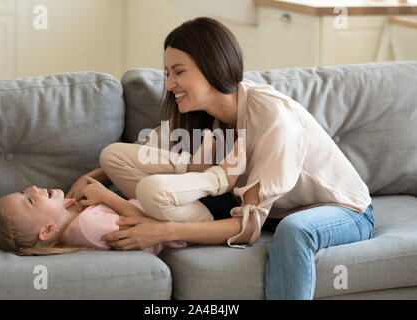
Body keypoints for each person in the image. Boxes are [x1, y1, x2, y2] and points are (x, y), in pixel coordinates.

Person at [70, 17, 375, 300]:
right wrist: (97, 176)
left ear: (211, 67)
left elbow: (247, 226)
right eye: (167, 74)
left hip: (342, 210)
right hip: (270, 210)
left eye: (178, 72)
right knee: (149, 180)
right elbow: (141, 154)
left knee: (294, 231)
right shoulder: (207, 117)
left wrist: (164, 231)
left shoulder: (272, 117)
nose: (169, 85)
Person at [0, 178, 186, 256]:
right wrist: (107, 196)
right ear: (47, 230)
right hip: (167, 213)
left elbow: (87, 181)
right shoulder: (90, 227)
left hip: (137, 197)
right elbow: (145, 225)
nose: (33, 187)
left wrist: (87, 180)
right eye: (29, 200)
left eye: (23, 192)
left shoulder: (60, 211)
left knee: (111, 162)